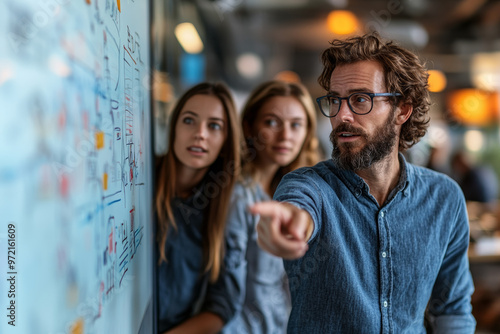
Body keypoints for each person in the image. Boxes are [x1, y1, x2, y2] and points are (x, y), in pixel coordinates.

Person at [251, 33, 476, 333]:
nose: (341, 115)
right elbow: (298, 211)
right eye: (335, 100)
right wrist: (290, 226)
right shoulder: (309, 186)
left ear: (403, 110)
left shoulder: (444, 198)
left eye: (360, 99)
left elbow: (452, 311)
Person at [200, 80, 321, 334]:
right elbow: (229, 296)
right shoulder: (239, 196)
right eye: (272, 122)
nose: (286, 135)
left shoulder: (295, 194)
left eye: (296, 125)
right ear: (249, 126)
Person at [155, 82, 240, 334]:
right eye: (189, 120)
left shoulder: (226, 204)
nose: (200, 133)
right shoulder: (137, 180)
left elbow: (222, 305)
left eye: (214, 126)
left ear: (225, 140)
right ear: (174, 128)